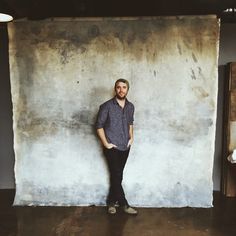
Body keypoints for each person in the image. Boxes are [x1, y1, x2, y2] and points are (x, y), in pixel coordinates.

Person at [96, 78, 138, 215]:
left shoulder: (131, 106)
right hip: (112, 146)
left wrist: (131, 138)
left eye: (124, 87)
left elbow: (130, 123)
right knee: (116, 174)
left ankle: (111, 202)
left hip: (125, 146)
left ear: (127, 89)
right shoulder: (106, 106)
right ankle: (124, 204)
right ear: (115, 89)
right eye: (118, 87)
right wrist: (106, 144)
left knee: (117, 176)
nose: (121, 90)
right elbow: (99, 126)